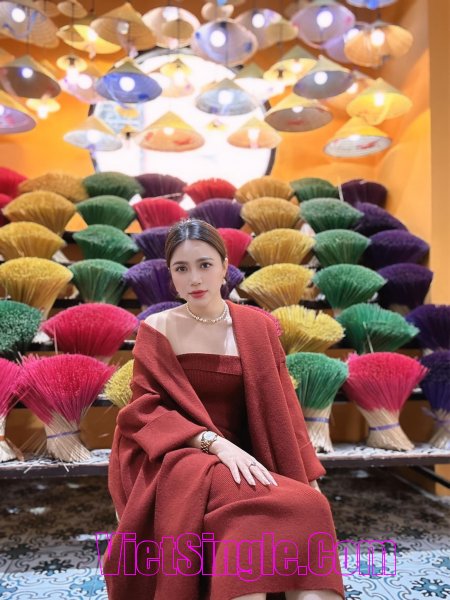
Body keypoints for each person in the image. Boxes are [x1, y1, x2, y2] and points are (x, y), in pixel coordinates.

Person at [104, 218, 345, 600]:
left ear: (224, 267)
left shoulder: (257, 327)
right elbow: (145, 410)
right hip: (177, 453)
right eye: (181, 269)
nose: (194, 279)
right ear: (171, 276)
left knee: (310, 504)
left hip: (242, 455)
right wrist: (215, 445)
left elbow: (284, 407)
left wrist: (308, 474)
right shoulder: (158, 327)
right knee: (255, 508)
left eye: (204, 265)